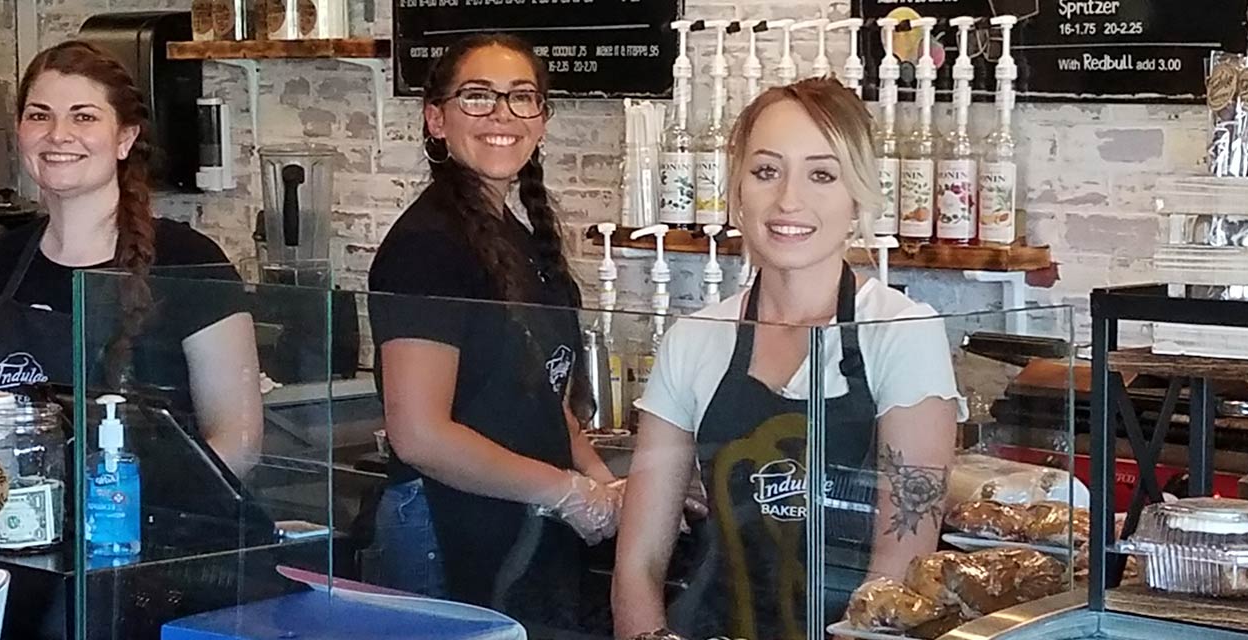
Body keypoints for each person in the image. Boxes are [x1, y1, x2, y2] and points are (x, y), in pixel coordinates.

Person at [613, 77, 964, 640]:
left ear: (857, 195)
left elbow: (898, 572)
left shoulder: (901, 332)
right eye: (766, 171)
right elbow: (639, 563)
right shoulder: (695, 339)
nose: (788, 201)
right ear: (737, 190)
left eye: (821, 175)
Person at [365, 33, 618, 622]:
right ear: (436, 119)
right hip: (444, 530)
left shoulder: (514, 238)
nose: (502, 115)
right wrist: (567, 492)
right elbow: (419, 435)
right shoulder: (427, 247)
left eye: (521, 97)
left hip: (515, 521)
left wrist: (602, 482)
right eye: (478, 96)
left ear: (542, 121)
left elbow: (541, 395)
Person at [0, 41, 262, 477]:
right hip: (6, 516)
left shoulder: (190, 262)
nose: (58, 134)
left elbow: (238, 442)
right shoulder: (1, 260)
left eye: (84, 117)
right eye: (39, 115)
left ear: (125, 139)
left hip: (142, 518)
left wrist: (125, 505)